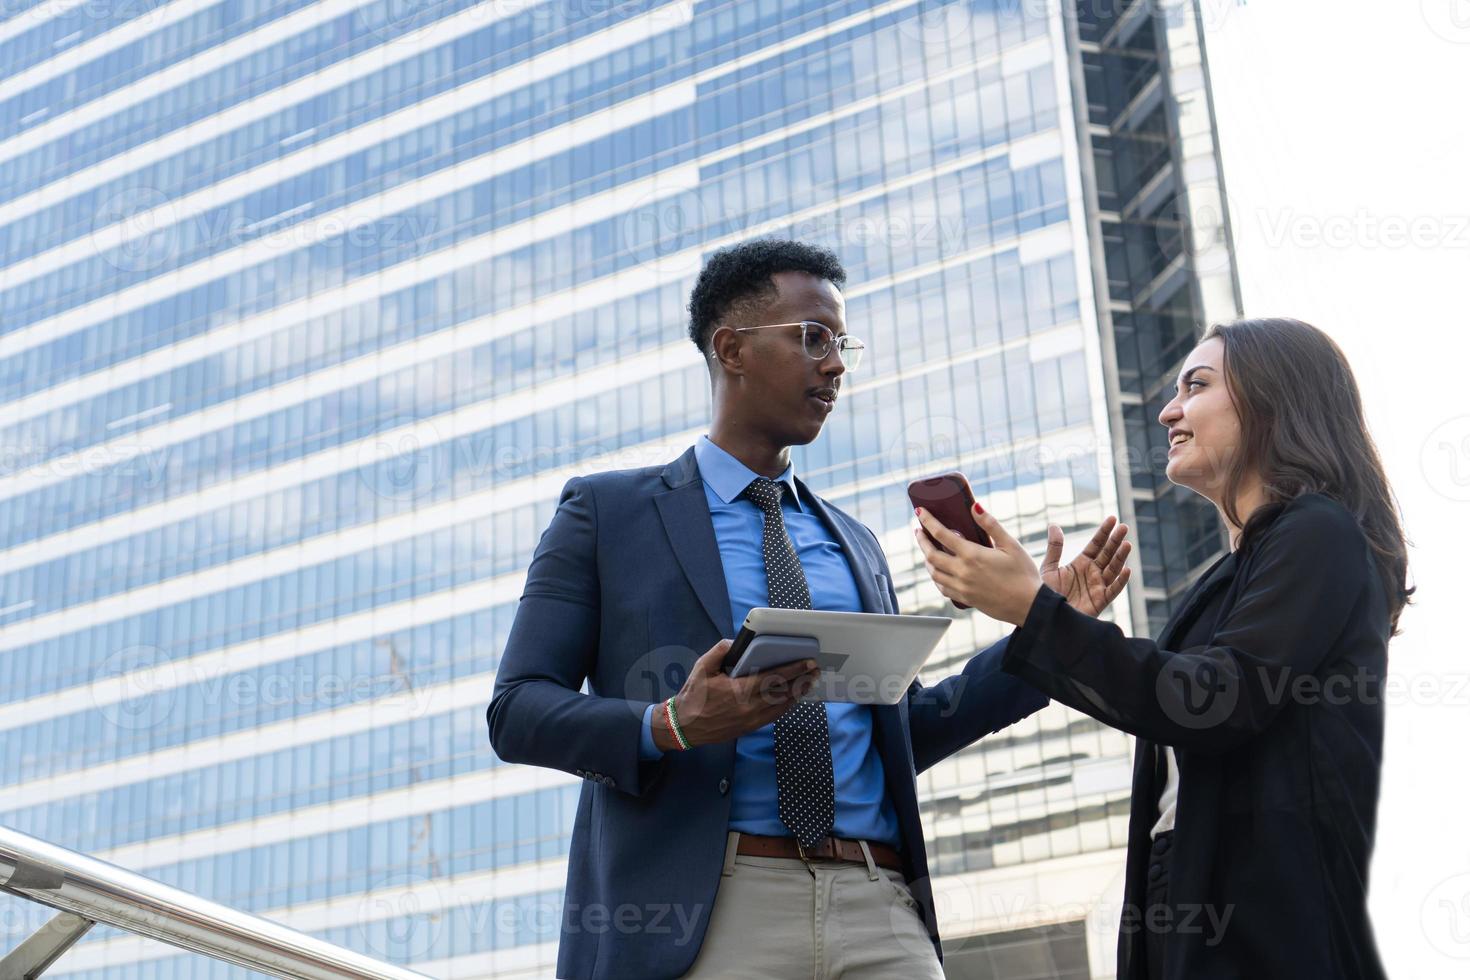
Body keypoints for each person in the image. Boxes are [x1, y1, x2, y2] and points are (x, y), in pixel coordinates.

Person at [487, 238, 1131, 979]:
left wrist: (1048, 634)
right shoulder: (608, 514)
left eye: (842, 343)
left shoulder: (855, 544)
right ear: (732, 348)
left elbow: (903, 732)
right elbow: (517, 710)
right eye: (813, 338)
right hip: (710, 914)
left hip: (879, 906)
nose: (836, 365)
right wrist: (669, 724)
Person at [914, 317, 1412, 979]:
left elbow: (1212, 701)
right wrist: (1057, 620)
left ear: (1272, 399)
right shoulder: (1229, 579)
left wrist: (1037, 614)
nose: (1167, 409)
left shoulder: (1318, 531)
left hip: (1267, 933)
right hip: (1186, 907)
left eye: (1196, 386)